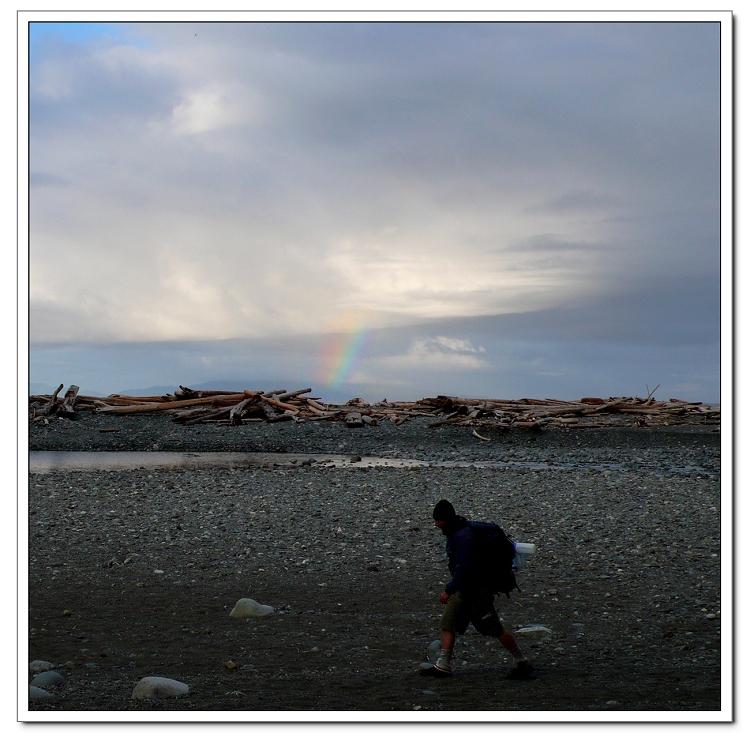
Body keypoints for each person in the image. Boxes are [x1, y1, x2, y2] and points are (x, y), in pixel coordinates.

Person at [420, 498, 534, 679]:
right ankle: (443, 664)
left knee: (495, 629)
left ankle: (522, 661)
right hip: (465, 589)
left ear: (446, 519)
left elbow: (464, 568)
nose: (435, 524)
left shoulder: (463, 536)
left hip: (477, 590)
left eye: (437, 520)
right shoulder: (456, 532)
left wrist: (448, 590)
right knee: (448, 623)